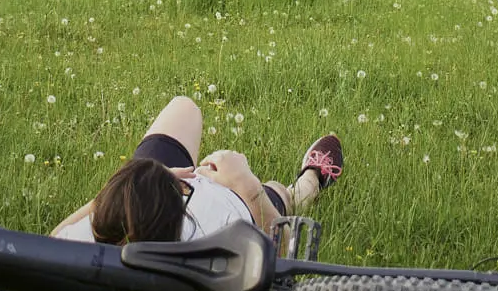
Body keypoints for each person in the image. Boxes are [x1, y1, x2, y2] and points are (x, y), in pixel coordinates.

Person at [54, 96, 344, 246]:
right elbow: (279, 263)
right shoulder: (218, 229)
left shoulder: (92, 238)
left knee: (184, 108)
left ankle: (133, 189)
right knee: (278, 192)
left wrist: (117, 196)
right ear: (183, 209)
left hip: (137, 201)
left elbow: (55, 239)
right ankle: (310, 181)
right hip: (232, 197)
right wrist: (247, 186)